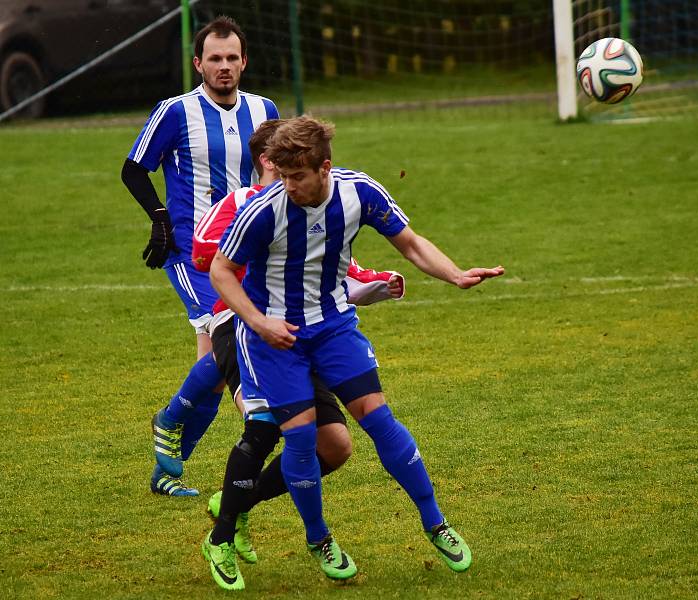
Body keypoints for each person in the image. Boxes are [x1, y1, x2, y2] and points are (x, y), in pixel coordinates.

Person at [206, 115, 504, 589]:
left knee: (379, 419)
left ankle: (437, 524)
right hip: (274, 335)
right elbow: (221, 271)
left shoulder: (358, 192)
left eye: (297, 176)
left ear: (325, 168)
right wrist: (260, 322)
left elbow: (408, 243)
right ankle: (318, 537)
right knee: (302, 440)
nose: (289, 186)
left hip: (332, 325)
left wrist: (454, 274)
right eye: (282, 176)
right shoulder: (265, 210)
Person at [189, 120, 404, 573]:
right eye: (280, 163)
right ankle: (222, 536)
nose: (289, 172)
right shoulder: (244, 205)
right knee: (266, 426)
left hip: (302, 332)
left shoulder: (320, 204)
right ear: (267, 161)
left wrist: (375, 285)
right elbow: (206, 258)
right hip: (242, 327)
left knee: (336, 446)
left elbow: (338, 272)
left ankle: (238, 501)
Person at [120, 15, 280, 495]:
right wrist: (161, 217)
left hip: (245, 252)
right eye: (215, 58)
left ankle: (168, 469)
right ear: (198, 63)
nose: (225, 66)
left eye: (233, 57)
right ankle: (193, 423)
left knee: (211, 371)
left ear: (244, 61)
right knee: (232, 346)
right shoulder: (174, 111)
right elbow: (133, 170)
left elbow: (276, 169)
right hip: (196, 253)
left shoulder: (263, 109)